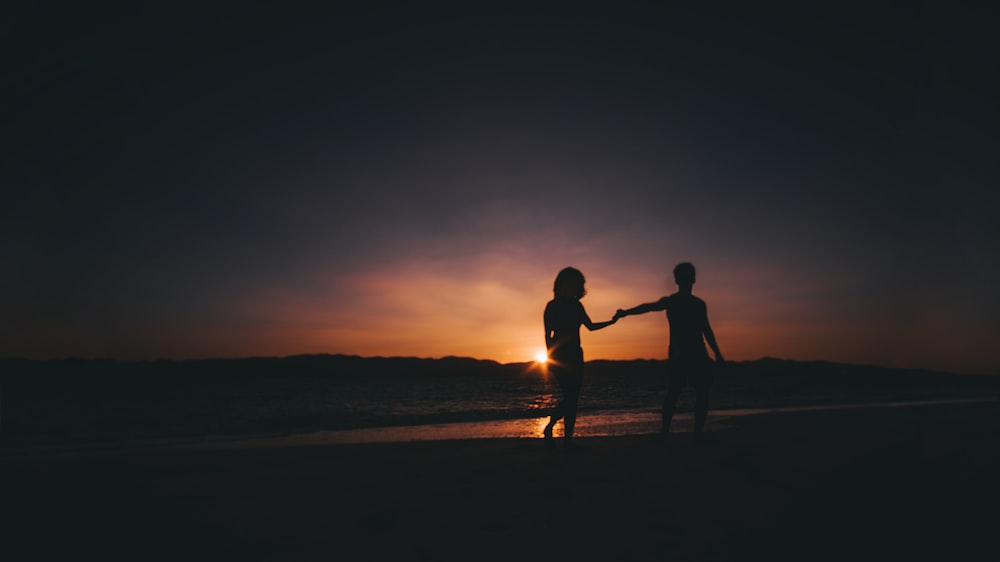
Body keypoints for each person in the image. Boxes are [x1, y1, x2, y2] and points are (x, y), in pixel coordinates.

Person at [615, 262, 724, 437]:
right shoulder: (678, 302)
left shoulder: (693, 304)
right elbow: (648, 307)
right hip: (682, 353)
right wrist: (626, 312)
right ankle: (675, 433)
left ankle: (683, 433)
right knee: (680, 392)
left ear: (680, 280)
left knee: (691, 393)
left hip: (692, 353)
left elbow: (706, 330)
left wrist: (717, 353)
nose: (687, 280)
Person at [543, 267, 618, 448]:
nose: (573, 287)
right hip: (559, 356)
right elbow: (547, 335)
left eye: (576, 284)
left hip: (576, 355)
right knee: (570, 397)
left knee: (573, 398)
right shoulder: (552, 306)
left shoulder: (577, 306)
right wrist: (550, 359)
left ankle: (566, 439)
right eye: (569, 283)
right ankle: (552, 427)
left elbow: (590, 326)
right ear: (560, 284)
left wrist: (612, 321)